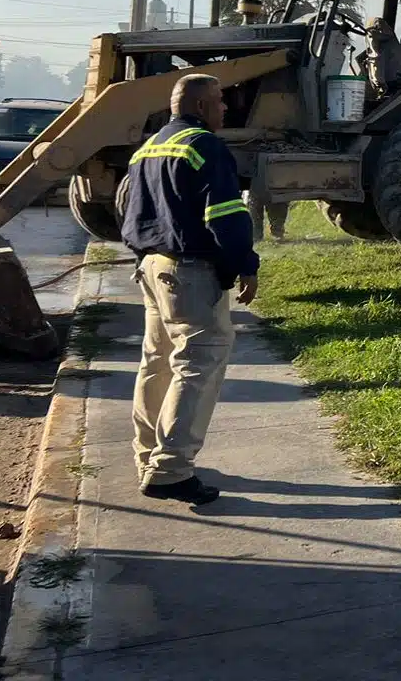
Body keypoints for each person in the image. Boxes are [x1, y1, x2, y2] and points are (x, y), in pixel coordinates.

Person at [120, 74, 260, 506]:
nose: (226, 109)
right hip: (190, 274)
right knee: (198, 365)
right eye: (219, 101)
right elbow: (224, 215)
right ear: (199, 107)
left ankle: (149, 458)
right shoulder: (206, 147)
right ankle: (171, 471)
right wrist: (245, 265)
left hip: (151, 268)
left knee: (156, 364)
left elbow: (126, 207)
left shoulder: (148, 147)